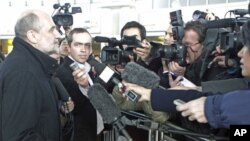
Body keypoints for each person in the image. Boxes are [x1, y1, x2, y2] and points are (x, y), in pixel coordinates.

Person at [122, 20, 250, 129]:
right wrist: (148, 93)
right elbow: (199, 93)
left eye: (188, 45)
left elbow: (208, 100)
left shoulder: (215, 67)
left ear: (204, 45)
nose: (183, 50)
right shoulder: (187, 65)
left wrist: (209, 108)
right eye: (182, 45)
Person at [0, 9, 73, 141]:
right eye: (51, 30)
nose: (58, 35)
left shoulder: (33, 65)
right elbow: (18, 136)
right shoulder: (23, 72)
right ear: (33, 36)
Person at [56, 28, 104, 141]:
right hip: (79, 134)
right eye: (78, 45)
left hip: (94, 129)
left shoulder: (89, 66)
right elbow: (74, 107)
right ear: (68, 47)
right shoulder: (63, 73)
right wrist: (84, 86)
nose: (83, 50)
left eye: (87, 45)